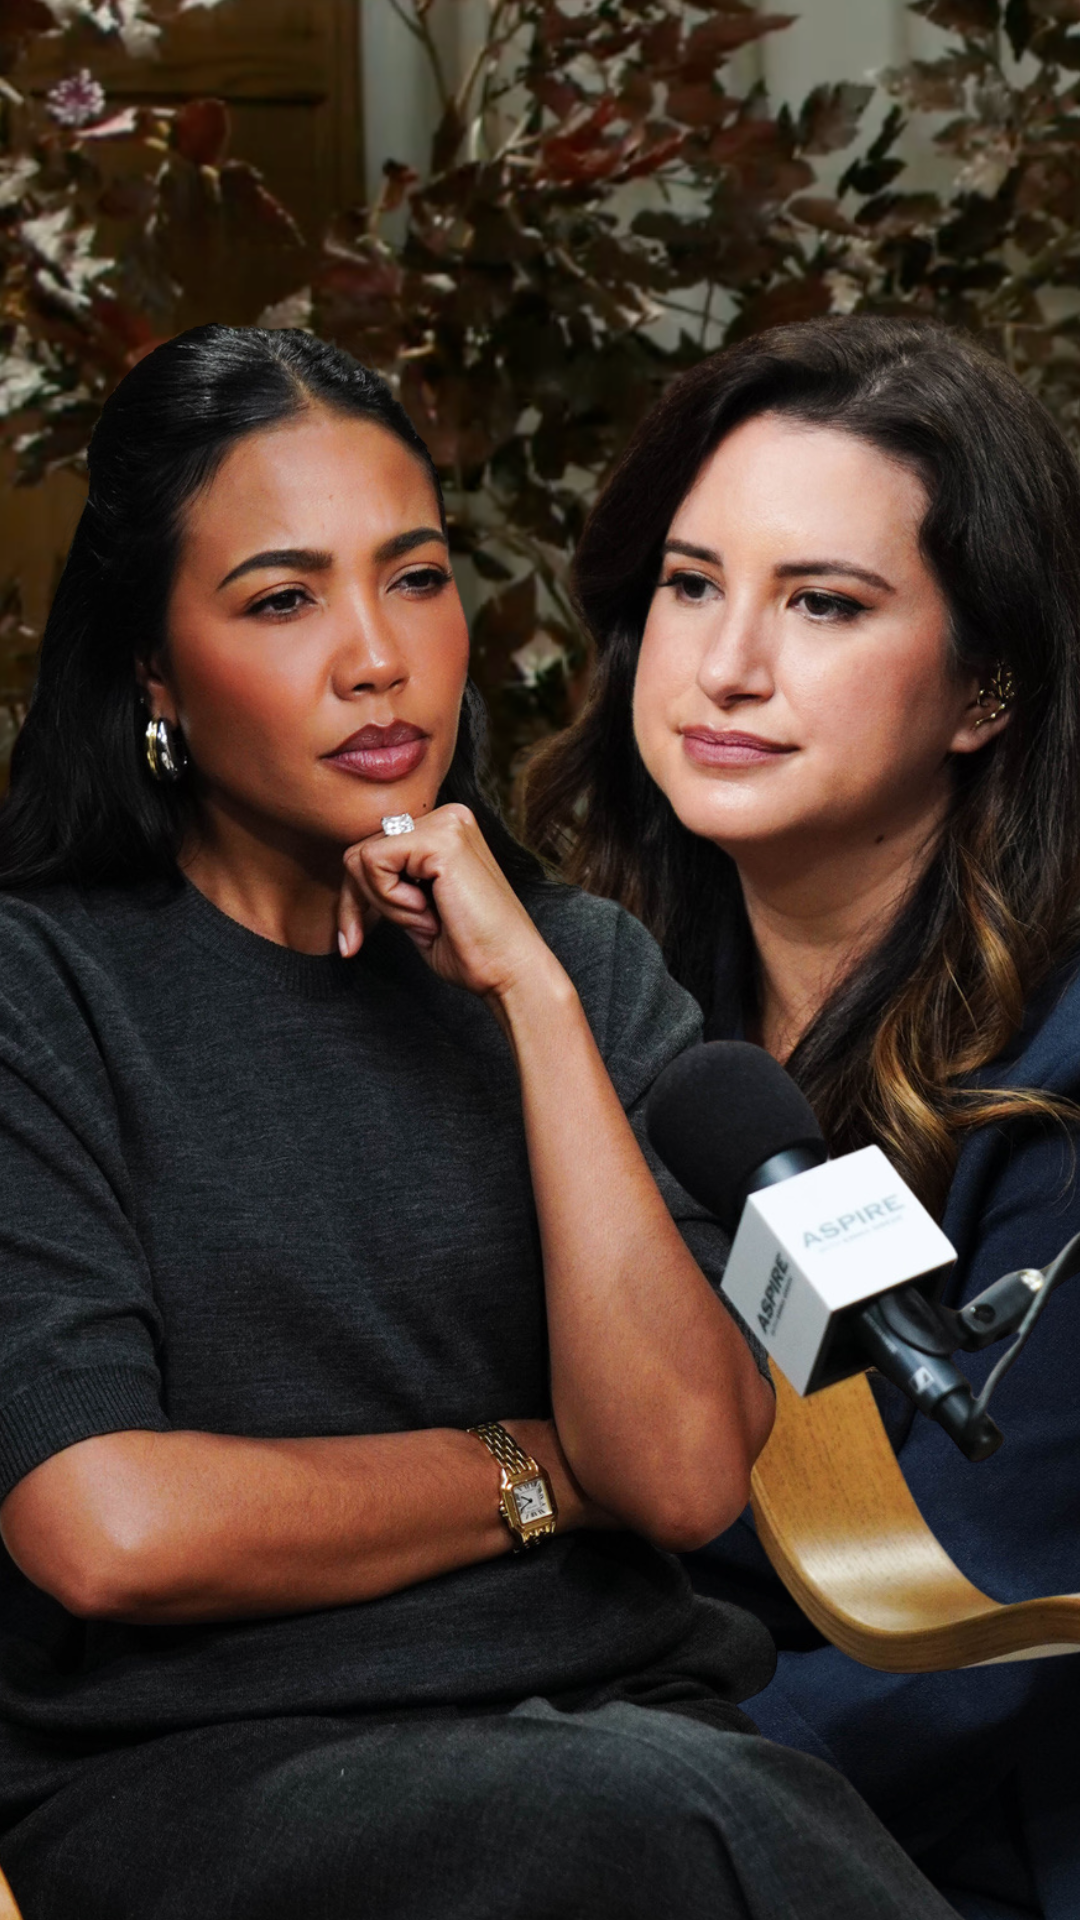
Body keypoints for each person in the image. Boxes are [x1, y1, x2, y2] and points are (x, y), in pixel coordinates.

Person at [0, 324, 957, 1919]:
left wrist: (534, 1003)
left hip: (624, 1726)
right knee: (676, 1823)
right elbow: (109, 1528)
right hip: (210, 1776)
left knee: (686, 1803)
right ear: (152, 668)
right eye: (283, 599)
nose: (376, 658)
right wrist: (536, 1469)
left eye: (419, 578)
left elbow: (679, 1478)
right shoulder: (43, 991)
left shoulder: (580, 967)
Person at [523, 314, 1080, 1920]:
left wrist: (538, 1814)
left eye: (823, 603)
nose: (727, 666)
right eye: (692, 585)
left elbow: (965, 1638)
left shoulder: (1061, 1078)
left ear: (986, 688)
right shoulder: (578, 1002)